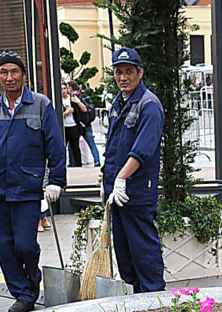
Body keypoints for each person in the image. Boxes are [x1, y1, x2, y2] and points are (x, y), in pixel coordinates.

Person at [0, 49, 66, 312]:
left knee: (25, 244)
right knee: (4, 246)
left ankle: (31, 281)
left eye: (14, 71)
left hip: (27, 187)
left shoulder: (40, 105)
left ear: (24, 75)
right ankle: (23, 294)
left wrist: (56, 181)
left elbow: (55, 146)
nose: (9, 77)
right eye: (3, 72)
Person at [103, 47, 166, 293]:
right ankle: (138, 295)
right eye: (119, 72)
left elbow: (143, 150)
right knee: (125, 252)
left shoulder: (149, 105)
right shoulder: (118, 104)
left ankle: (153, 297)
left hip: (137, 190)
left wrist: (121, 177)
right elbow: (112, 148)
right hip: (117, 191)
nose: (123, 77)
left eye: (129, 71)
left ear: (140, 73)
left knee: (143, 248)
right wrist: (107, 182)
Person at [68, 80, 100, 167]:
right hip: (87, 124)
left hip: (78, 125)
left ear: (70, 88)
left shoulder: (73, 98)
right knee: (91, 144)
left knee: (72, 145)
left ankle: (72, 162)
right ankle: (97, 161)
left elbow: (83, 109)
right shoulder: (85, 96)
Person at [61, 83, 82, 167]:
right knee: (63, 147)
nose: (63, 91)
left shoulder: (72, 98)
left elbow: (83, 109)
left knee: (75, 147)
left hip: (73, 126)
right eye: (62, 89)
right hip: (64, 127)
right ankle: (63, 165)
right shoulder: (59, 100)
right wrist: (66, 112)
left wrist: (78, 103)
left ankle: (78, 164)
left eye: (65, 88)